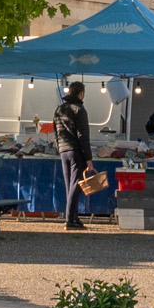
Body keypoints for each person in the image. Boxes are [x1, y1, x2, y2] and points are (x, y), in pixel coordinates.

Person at [58, 78, 97, 230]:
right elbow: (83, 135)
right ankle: (70, 219)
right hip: (76, 152)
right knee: (76, 185)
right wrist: (89, 158)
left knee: (70, 185)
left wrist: (59, 147)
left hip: (63, 151)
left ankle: (74, 217)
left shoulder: (60, 109)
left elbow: (57, 132)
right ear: (81, 94)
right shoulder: (79, 110)